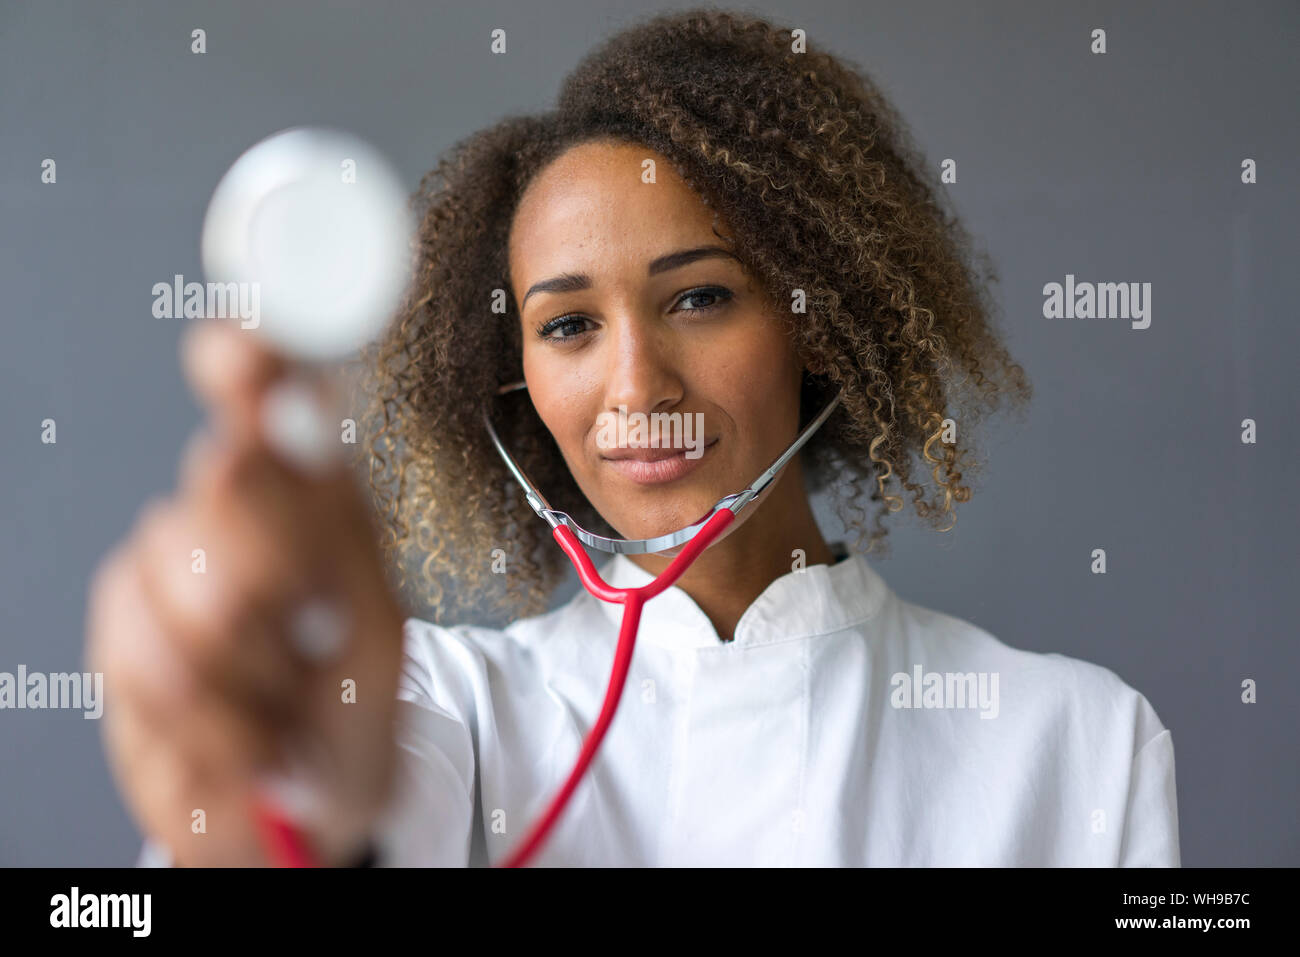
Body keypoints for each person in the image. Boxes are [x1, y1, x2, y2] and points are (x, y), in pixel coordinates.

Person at [86, 9, 1179, 867]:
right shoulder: (449, 709)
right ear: (515, 379)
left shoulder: (1077, 743)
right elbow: (332, 809)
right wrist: (292, 811)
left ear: (818, 321)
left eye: (698, 299)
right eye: (566, 325)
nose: (633, 384)